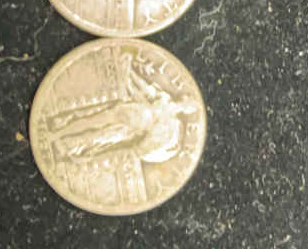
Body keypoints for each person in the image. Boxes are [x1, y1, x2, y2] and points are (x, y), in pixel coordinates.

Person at [48, 53, 198, 165]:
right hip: (127, 110)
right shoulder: (165, 98)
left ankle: (63, 146)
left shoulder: (171, 125)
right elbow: (145, 89)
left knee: (97, 138)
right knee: (90, 121)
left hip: (128, 129)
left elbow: (149, 142)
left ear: (187, 110)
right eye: (187, 98)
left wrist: (139, 145)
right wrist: (130, 72)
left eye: (188, 103)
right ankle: (59, 130)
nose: (184, 100)